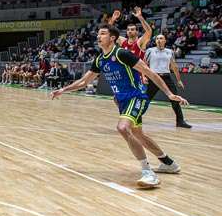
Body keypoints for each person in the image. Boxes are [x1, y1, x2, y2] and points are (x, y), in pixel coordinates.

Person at [52, 25, 186, 189]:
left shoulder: (122, 54)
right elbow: (84, 82)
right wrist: (63, 90)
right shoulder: (100, 60)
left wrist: (169, 94)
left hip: (136, 96)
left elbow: (150, 73)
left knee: (123, 128)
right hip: (122, 101)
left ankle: (148, 172)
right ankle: (168, 163)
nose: (98, 36)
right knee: (139, 135)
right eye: (98, 33)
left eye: (103, 33)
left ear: (113, 37)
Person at [145, 34, 191, 128]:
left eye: (161, 38)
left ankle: (180, 121)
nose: (158, 40)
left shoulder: (170, 52)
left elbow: (174, 66)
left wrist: (179, 80)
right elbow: (144, 64)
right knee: (146, 99)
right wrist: (144, 76)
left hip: (166, 77)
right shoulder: (150, 51)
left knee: (174, 99)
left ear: (165, 40)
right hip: (154, 77)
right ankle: (135, 117)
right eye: (157, 38)